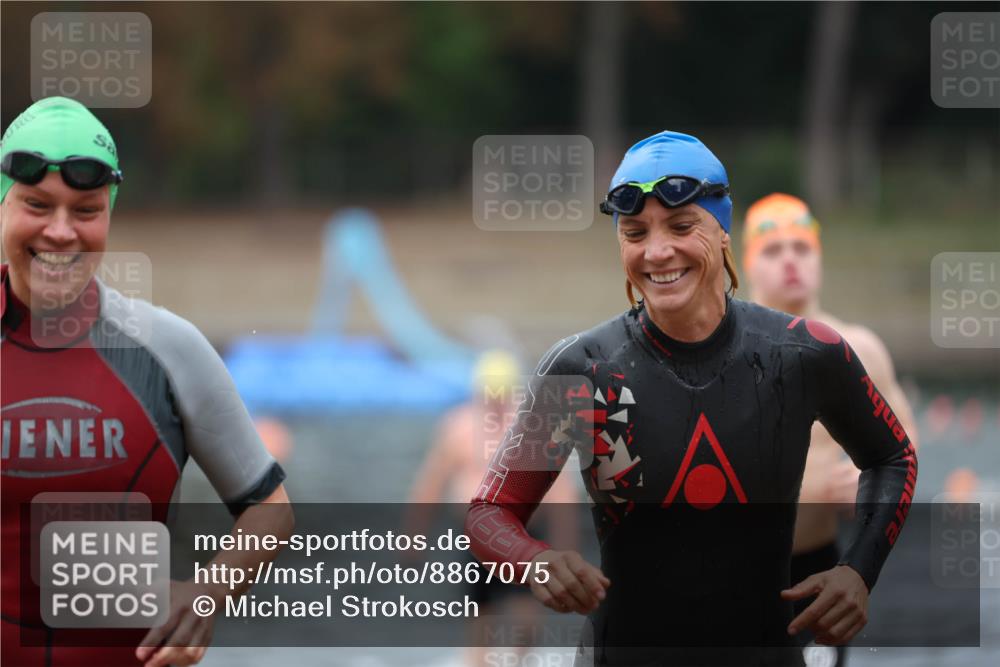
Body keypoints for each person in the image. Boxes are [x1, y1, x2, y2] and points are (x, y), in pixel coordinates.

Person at [465, 131, 918, 667]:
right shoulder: (580, 370)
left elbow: (893, 457)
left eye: (682, 227)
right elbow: (490, 513)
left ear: (723, 231)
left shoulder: (804, 353)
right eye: (635, 233)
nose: (657, 252)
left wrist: (858, 570)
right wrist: (534, 560)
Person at [0, 97, 294, 667]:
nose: (60, 232)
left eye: (85, 210)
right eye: (37, 204)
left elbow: (271, 508)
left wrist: (207, 595)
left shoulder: (167, 348)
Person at [741, 193, 920, 667]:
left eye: (801, 248)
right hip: (731, 567)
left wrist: (868, 493)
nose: (790, 262)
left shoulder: (858, 347)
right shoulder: (729, 349)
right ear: (747, 265)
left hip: (818, 565)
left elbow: (904, 449)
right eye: (773, 251)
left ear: (819, 259)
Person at [408, 349, 578, 666]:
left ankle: (515, 660)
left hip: (525, 532)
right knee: (481, 620)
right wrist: (414, 538)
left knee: (526, 620)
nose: (496, 402)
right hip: (477, 537)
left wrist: (567, 546)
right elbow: (431, 482)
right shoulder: (458, 426)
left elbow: (562, 492)